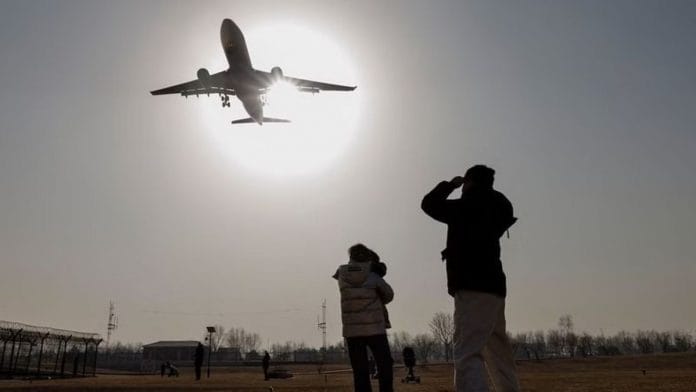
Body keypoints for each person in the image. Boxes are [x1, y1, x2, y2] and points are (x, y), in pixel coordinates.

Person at [421, 165, 520, 392]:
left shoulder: (466, 206)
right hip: (495, 285)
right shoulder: (498, 207)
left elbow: (428, 204)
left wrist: (450, 185)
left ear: (469, 182)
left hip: (471, 285)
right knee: (498, 351)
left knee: (467, 352)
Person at [335, 243, 394, 392]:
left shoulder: (342, 275)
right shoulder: (373, 274)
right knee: (384, 365)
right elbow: (389, 294)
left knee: (360, 372)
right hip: (375, 329)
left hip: (352, 331)